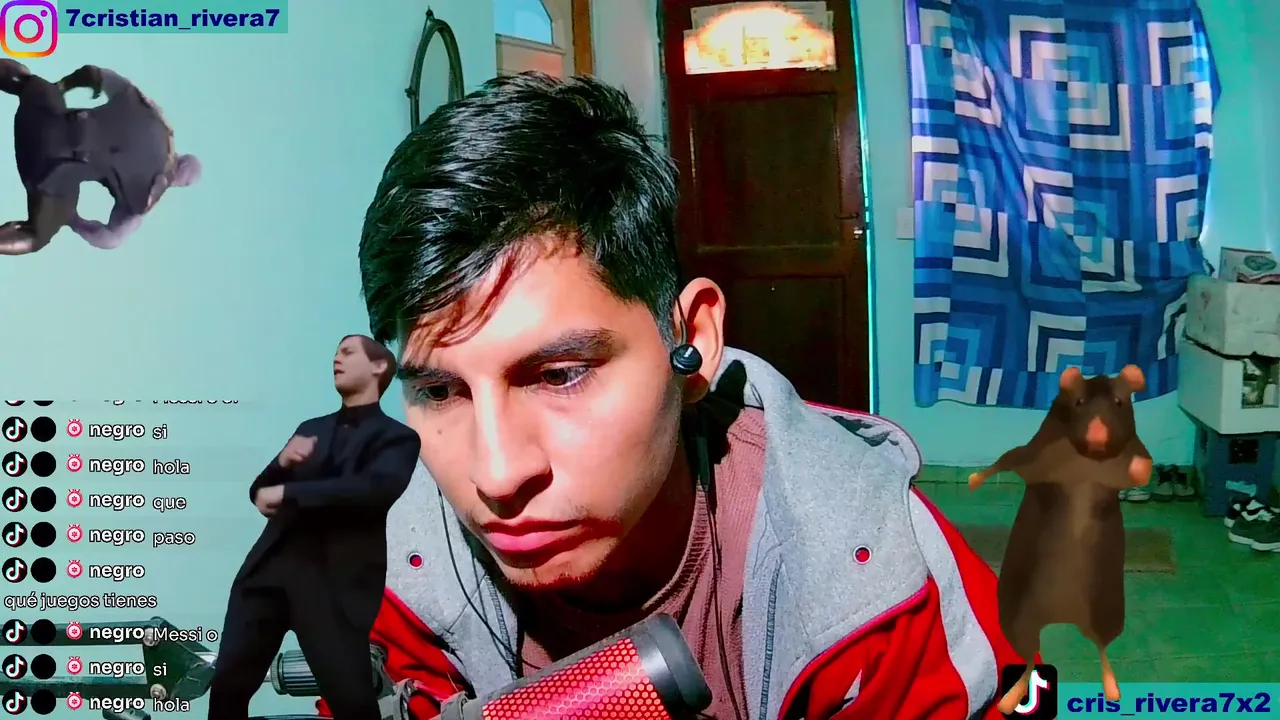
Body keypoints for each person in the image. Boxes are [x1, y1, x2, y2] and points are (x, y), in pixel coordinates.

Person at [320, 73, 1025, 720]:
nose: (498, 476)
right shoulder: (385, 578)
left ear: (692, 341)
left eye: (561, 375)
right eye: (440, 390)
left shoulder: (880, 575)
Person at [209, 335, 420, 720]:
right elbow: (260, 491)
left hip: (332, 581)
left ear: (378, 367)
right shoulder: (310, 429)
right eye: (336, 352)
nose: (337, 358)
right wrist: (283, 465)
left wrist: (290, 492)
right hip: (267, 572)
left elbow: (373, 490)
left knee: (351, 699)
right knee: (227, 689)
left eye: (348, 352)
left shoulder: (398, 438)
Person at [0, 61, 199, 254]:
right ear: (179, 183)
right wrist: (73, 220)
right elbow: (109, 239)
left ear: (182, 156)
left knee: (28, 82)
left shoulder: (153, 116)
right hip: (44, 173)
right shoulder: (148, 197)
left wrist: (63, 86)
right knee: (38, 236)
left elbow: (95, 74)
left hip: (41, 117)